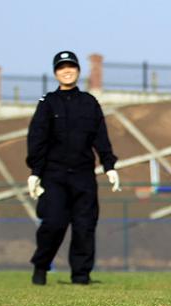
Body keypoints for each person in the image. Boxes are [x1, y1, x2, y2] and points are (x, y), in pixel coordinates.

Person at [26, 51, 121, 285]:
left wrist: (109, 166)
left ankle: (81, 275)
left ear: (78, 71)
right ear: (55, 73)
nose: (67, 71)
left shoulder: (89, 103)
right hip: (54, 175)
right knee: (54, 223)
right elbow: (37, 138)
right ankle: (41, 267)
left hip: (83, 175)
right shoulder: (47, 104)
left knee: (85, 226)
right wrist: (35, 172)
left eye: (71, 67)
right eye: (61, 67)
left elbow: (101, 137)